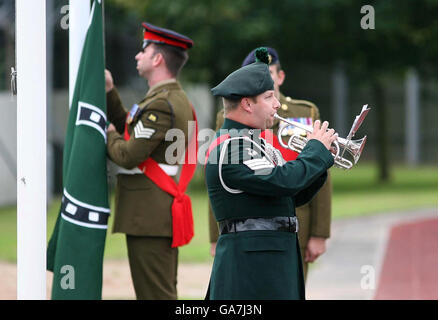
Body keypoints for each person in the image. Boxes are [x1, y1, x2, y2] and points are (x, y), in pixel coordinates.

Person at [205, 47, 337, 299]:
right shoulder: (233, 146)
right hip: (252, 270)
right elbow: (282, 182)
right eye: (268, 97)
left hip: (270, 263)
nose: (277, 103)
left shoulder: (256, 143)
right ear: (246, 103)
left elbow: (290, 197)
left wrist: (322, 162)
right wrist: (315, 150)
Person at [105, 22, 196, 300]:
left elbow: (130, 155)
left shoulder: (160, 103)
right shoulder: (168, 98)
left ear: (157, 59)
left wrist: (109, 136)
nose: (137, 55)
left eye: (144, 50)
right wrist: (110, 91)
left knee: (155, 295)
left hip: (149, 215)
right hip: (156, 212)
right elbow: (133, 130)